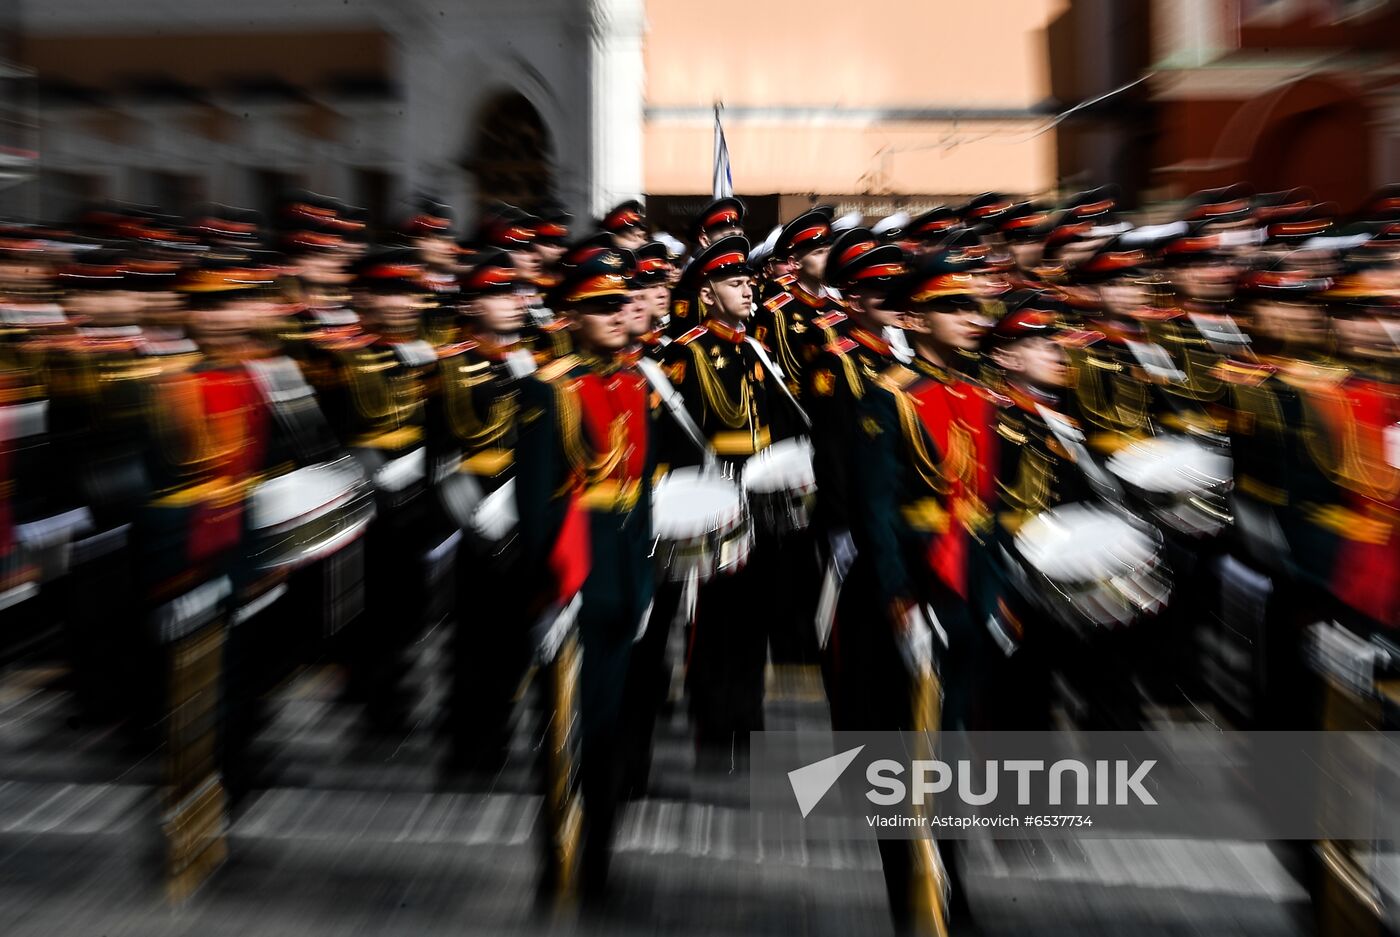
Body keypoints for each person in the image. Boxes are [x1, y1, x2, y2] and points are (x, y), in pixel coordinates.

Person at [846, 252, 1001, 935]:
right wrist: (899, 600)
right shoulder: (887, 396)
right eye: (953, 307)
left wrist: (995, 598)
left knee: (956, 748)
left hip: (966, 589)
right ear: (914, 319)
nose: (971, 319)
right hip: (914, 590)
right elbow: (874, 512)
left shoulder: (977, 393)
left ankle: (950, 879)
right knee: (905, 756)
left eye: (974, 307)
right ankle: (913, 894)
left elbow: (984, 507)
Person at [515, 246, 656, 899]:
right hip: (575, 577)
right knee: (568, 728)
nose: (614, 314)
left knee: (611, 727)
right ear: (571, 313)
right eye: (599, 305)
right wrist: (550, 589)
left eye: (618, 302)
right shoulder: (549, 388)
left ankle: (599, 853)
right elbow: (538, 502)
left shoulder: (632, 381)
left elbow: (643, 491)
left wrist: (646, 580)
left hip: (623, 576)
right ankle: (561, 859)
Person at [659, 235, 800, 766]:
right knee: (713, 616)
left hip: (759, 491)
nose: (747, 289)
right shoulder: (686, 352)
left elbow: (778, 423)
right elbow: (676, 434)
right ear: (708, 293)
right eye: (733, 283)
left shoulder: (756, 348)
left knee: (753, 612)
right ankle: (712, 722)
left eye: (748, 281)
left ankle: (745, 714)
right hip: (714, 489)